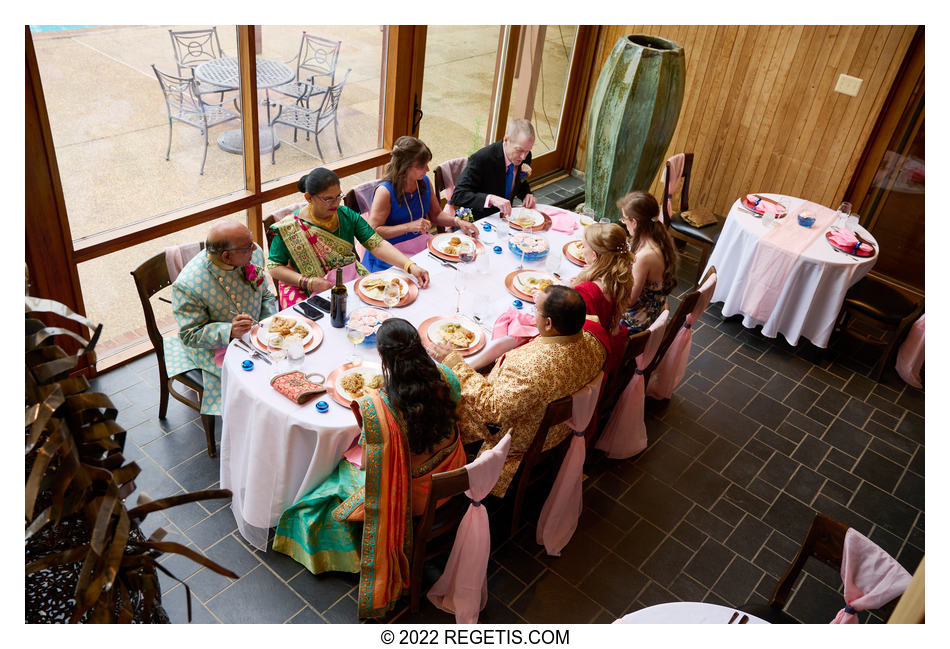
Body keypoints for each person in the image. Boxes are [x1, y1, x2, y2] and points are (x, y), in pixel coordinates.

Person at [272, 318, 466, 619]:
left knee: (318, 498)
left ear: (383, 358)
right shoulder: (448, 377)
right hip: (452, 472)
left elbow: (378, 464)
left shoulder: (381, 407)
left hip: (413, 496)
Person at [426, 285, 605, 498]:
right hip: (554, 430)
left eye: (536, 311)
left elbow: (493, 410)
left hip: (511, 436)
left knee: (432, 394)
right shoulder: (594, 343)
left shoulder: (530, 369)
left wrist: (453, 363)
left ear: (549, 324)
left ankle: (434, 461)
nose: (532, 314)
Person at [266, 167, 430, 309]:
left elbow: (377, 245)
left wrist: (410, 266)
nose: (336, 203)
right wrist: (309, 282)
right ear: (309, 198)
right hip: (308, 288)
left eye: (338, 196)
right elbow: (274, 267)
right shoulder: (289, 228)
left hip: (348, 281)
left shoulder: (345, 215)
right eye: (328, 198)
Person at [164, 221, 278, 415]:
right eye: (248, 246)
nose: (255, 248)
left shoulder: (255, 253)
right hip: (215, 347)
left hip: (259, 333)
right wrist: (229, 331)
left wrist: (267, 324)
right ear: (227, 256)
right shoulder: (189, 285)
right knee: (254, 386)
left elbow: (265, 294)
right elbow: (189, 335)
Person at [362, 136, 479, 272]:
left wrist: (457, 221)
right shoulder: (385, 192)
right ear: (405, 167)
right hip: (389, 254)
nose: (428, 169)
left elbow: (436, 215)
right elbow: (372, 233)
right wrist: (408, 227)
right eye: (422, 166)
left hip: (419, 247)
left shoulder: (423, 182)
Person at [571, 222, 634, 374]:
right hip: (609, 336)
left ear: (594, 255)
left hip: (587, 352)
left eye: (583, 246)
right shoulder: (621, 276)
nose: (581, 249)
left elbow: (569, 330)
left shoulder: (586, 291)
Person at [450, 118, 537, 220]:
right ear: (506, 140)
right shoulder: (482, 158)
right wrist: (490, 199)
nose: (523, 157)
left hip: (506, 218)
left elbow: (519, 183)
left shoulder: (526, 155)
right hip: (479, 219)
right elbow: (458, 195)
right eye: (519, 150)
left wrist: (526, 194)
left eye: (527, 151)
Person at [617, 191, 679, 334]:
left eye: (624, 219)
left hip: (640, 317)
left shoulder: (645, 256)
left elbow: (629, 301)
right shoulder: (655, 235)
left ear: (634, 222)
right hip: (653, 304)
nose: (624, 223)